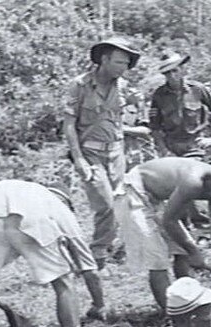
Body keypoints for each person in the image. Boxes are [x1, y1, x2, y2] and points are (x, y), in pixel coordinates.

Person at [0, 169, 105, 327]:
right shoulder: (59, 207)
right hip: (30, 218)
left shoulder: (4, 185)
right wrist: (99, 305)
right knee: (64, 283)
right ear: (66, 201)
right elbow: (90, 271)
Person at [114, 148, 211, 309]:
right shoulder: (194, 179)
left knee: (182, 252)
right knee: (158, 259)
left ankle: (189, 302)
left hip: (157, 199)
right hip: (133, 192)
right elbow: (169, 220)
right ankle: (172, 315)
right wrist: (194, 251)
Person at [64, 36, 149, 268]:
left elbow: (136, 122)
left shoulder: (125, 88)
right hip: (90, 153)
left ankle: (117, 248)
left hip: (117, 153)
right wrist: (78, 158)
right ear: (104, 59)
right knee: (105, 204)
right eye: (120, 62)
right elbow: (69, 124)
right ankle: (97, 253)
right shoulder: (80, 85)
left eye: (127, 64)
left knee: (121, 202)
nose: (124, 68)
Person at [149, 52, 211, 229]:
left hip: (194, 145)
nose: (172, 76)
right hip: (172, 145)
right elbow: (154, 126)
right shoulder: (159, 95)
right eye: (167, 73)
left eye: (175, 71)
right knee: (179, 184)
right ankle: (189, 221)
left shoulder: (197, 89)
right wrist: (163, 149)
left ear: (183, 70)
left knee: (192, 181)